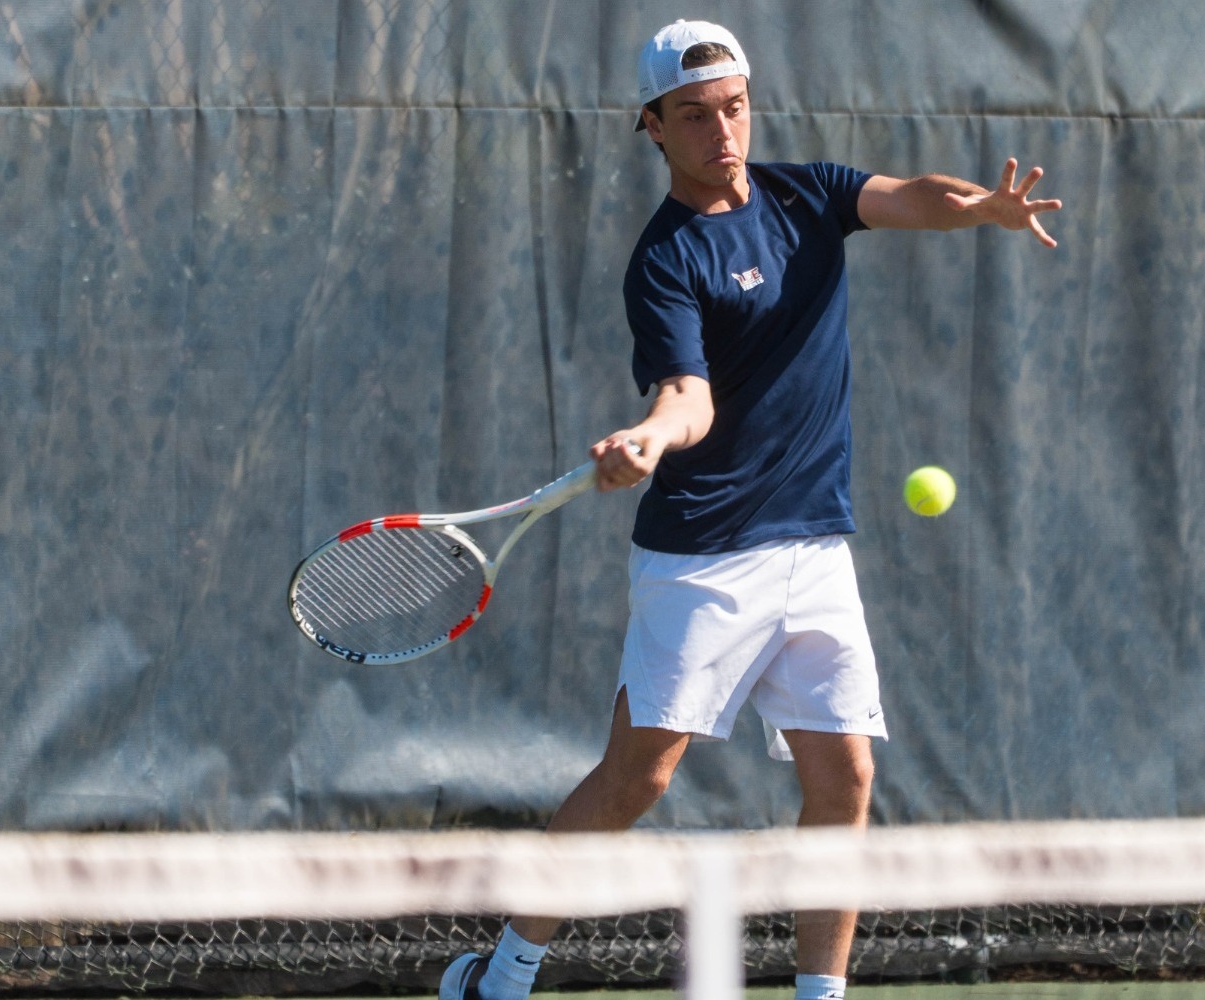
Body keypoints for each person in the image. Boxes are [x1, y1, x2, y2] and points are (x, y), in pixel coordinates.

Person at [441, 19, 1061, 1000]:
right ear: (652, 126)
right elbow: (689, 396)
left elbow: (908, 198)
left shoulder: (805, 195)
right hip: (702, 557)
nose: (719, 132)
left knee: (844, 777)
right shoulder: (665, 260)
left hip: (814, 547)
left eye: (731, 108)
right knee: (636, 778)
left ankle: (820, 993)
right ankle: (503, 971)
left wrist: (980, 206)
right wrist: (649, 437)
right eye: (692, 115)